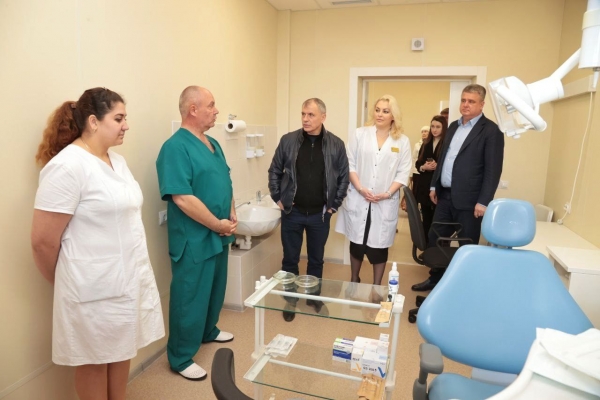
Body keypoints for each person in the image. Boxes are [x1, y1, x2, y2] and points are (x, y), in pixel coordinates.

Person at [31, 87, 165, 400]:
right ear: (93, 121)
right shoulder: (67, 166)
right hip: (89, 287)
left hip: (126, 278)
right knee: (93, 360)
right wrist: (65, 281)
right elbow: (42, 242)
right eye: (119, 118)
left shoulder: (116, 161)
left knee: (122, 349)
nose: (126, 125)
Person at [156, 86, 237, 381]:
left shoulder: (213, 143)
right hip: (194, 237)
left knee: (215, 288)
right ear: (193, 109)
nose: (216, 110)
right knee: (189, 296)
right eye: (211, 105)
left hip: (220, 232)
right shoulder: (175, 148)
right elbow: (181, 197)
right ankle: (180, 356)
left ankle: (208, 330)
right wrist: (216, 224)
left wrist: (231, 211)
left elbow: (225, 178)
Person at [412, 84, 504, 292]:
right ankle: (436, 279)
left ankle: (465, 286)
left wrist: (484, 201)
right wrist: (434, 184)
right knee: (435, 238)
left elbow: (493, 170)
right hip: (445, 196)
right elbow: (443, 159)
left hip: (470, 201)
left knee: (467, 245)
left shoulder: (491, 131)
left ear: (482, 104)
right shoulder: (453, 126)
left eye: (471, 101)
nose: (465, 105)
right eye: (463, 100)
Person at [268, 98, 349, 321]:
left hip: (319, 214)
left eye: (311, 115)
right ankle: (290, 299)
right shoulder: (288, 141)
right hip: (292, 213)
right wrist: (277, 197)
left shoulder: (336, 144)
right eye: (303, 114)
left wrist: (334, 204)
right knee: (290, 259)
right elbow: (274, 170)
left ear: (323, 117)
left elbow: (343, 177)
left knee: (316, 260)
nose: (305, 119)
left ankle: (313, 297)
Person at [336, 94, 411, 285]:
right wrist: (360, 188)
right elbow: (350, 164)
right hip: (359, 197)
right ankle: (354, 279)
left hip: (384, 201)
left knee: (379, 247)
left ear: (393, 115)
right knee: (357, 243)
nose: (380, 114)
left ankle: (377, 286)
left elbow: (403, 172)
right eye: (377, 110)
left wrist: (388, 193)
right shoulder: (360, 134)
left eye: (385, 111)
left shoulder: (402, 141)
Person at [414, 115, 447, 241]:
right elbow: (418, 163)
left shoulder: (446, 143)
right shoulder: (426, 143)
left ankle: (436, 246)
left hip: (439, 186)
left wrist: (438, 166)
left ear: (443, 128)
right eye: (432, 126)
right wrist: (424, 167)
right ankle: (426, 246)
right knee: (426, 218)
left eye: (438, 127)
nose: (434, 129)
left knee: (437, 219)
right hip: (425, 185)